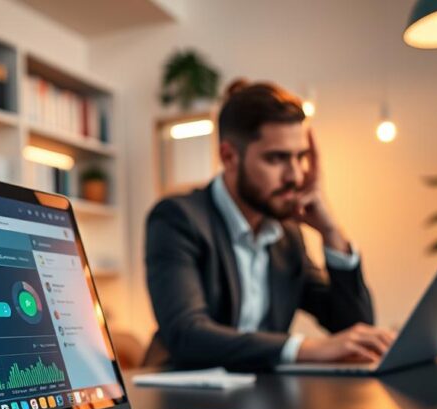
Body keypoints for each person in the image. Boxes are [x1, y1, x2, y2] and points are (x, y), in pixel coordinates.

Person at [144, 79, 395, 370]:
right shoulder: (178, 218)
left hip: (264, 398)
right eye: (277, 158)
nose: (295, 176)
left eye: (301, 157)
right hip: (182, 398)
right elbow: (186, 334)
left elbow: (354, 326)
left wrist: (330, 231)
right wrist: (304, 348)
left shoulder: (286, 234)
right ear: (229, 156)